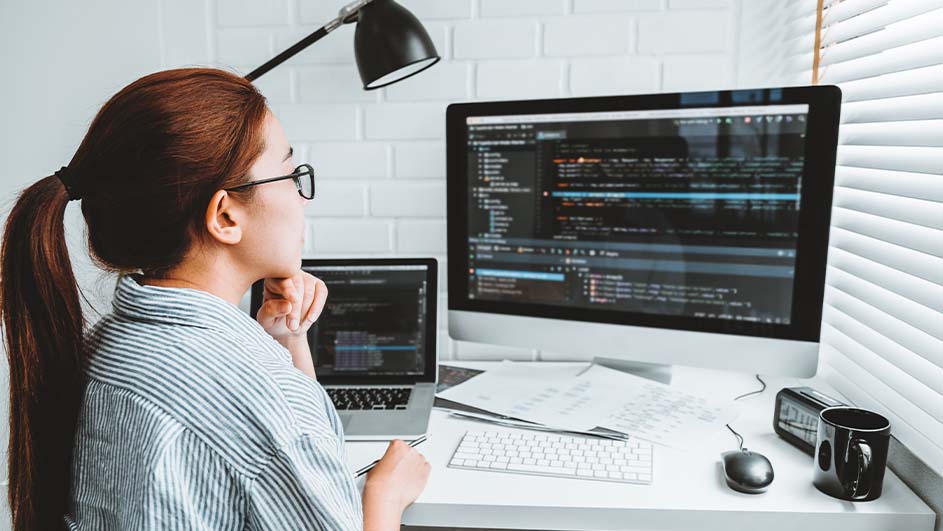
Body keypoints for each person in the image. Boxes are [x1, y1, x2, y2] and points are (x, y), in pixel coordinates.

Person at [0, 68, 429, 530]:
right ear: (224, 217)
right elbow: (275, 423)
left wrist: (287, 341)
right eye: (289, 174)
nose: (302, 198)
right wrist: (385, 497)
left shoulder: (104, 345)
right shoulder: (262, 398)